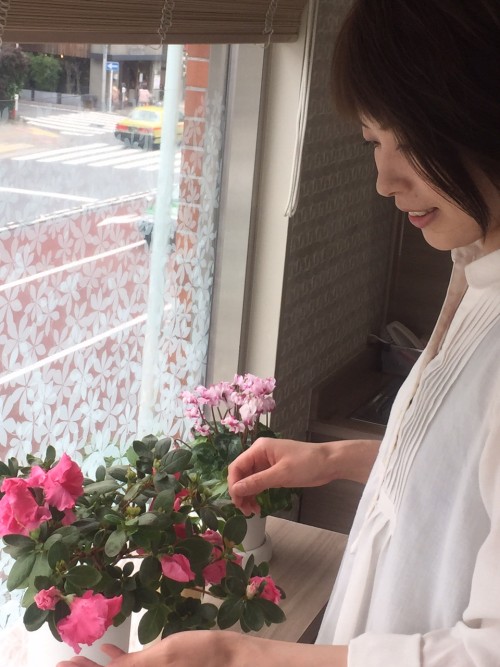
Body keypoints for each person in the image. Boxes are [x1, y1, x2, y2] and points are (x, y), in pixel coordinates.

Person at [56, 0, 500, 665]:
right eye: (374, 143)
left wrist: (233, 655)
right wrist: (336, 459)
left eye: (406, 141)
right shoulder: (476, 270)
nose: (384, 181)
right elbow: (466, 483)